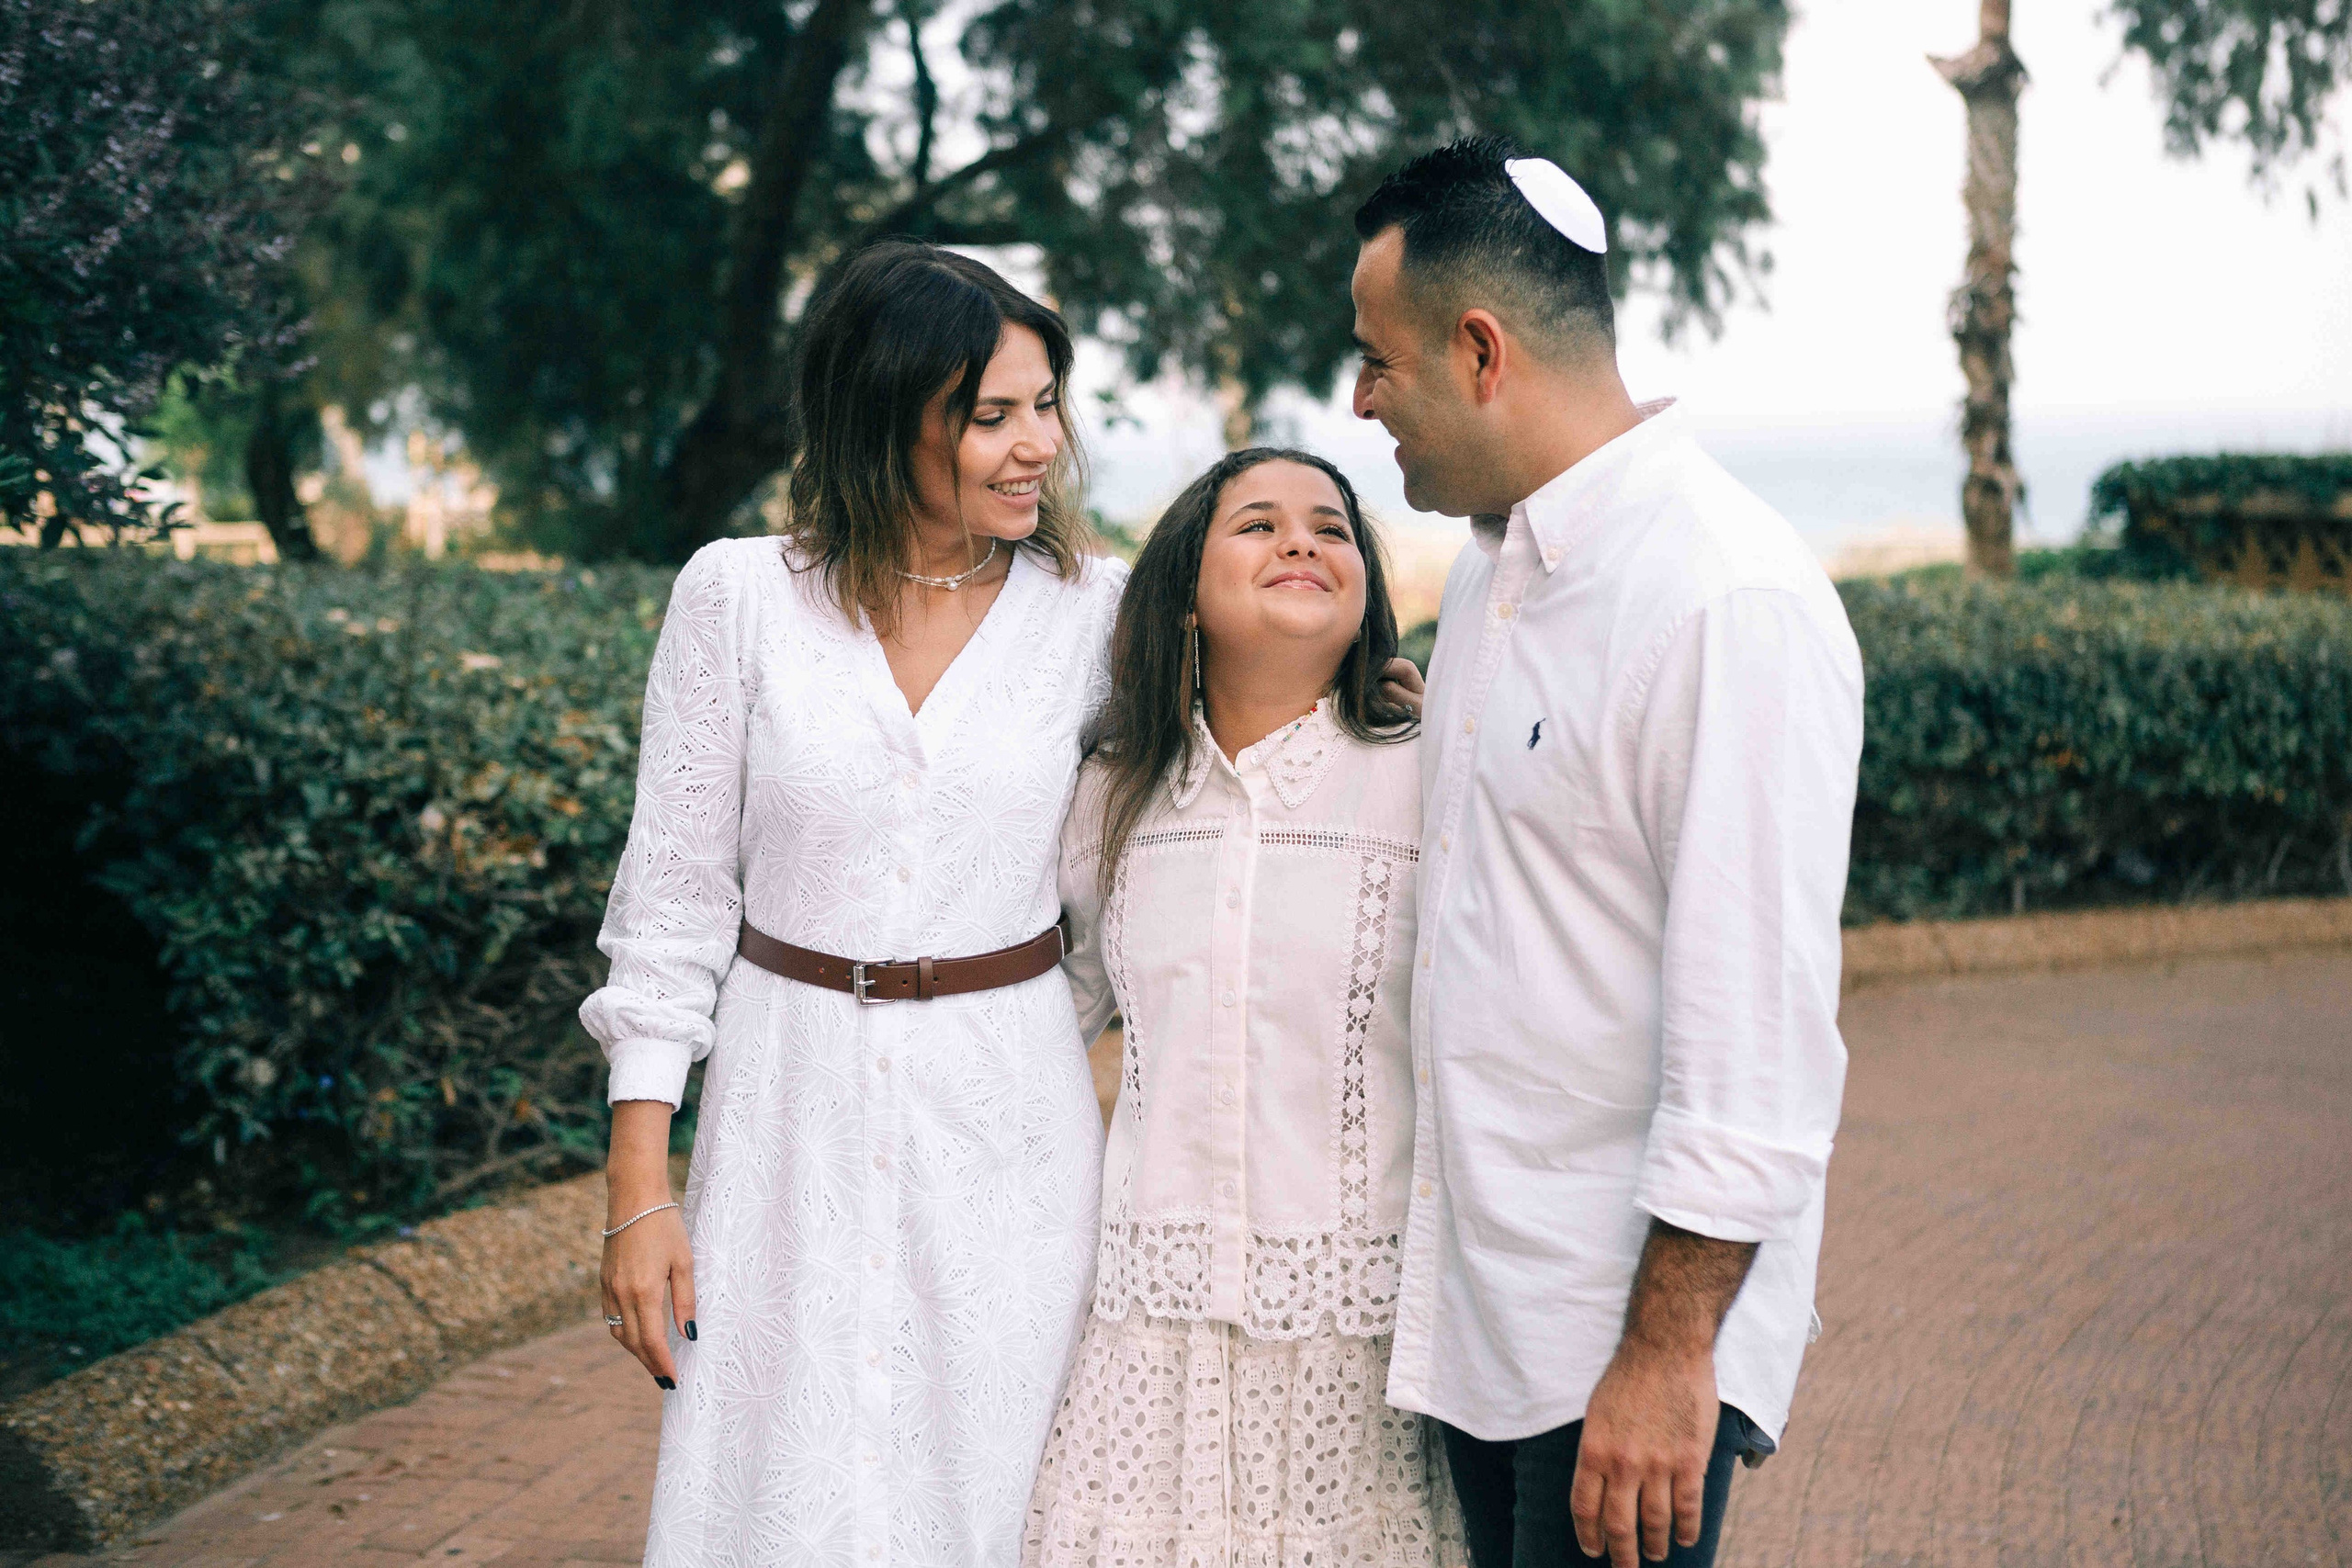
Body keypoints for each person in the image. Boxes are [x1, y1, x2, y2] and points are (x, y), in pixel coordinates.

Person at [1348, 138, 1865, 1568]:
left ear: (1480, 348)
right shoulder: (1491, 573)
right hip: (1484, 1318)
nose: (1360, 397)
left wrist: (1664, 1355)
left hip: (1619, 1344)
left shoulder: (1723, 598)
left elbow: (1757, 1046)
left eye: (1378, 359)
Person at [581, 242, 1125, 1568]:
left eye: (1044, 403)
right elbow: (670, 900)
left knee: (992, 1481)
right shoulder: (735, 598)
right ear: (885, 419)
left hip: (1011, 1114)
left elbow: (1176, 838)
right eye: (990, 414)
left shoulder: (1103, 612)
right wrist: (640, 1187)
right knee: (781, 1480)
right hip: (787, 1107)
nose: (1034, 444)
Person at [1023, 448, 1465, 1568]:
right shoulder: (1109, 793)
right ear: (1182, 592)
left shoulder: (1431, 778)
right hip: (1143, 1343)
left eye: (1330, 527)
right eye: (1258, 525)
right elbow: (1035, 1023)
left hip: (1358, 1344)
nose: (1302, 544)